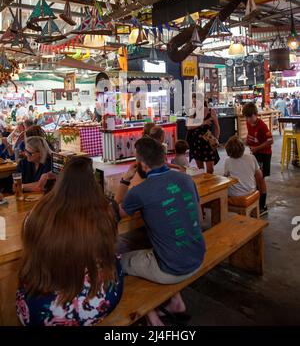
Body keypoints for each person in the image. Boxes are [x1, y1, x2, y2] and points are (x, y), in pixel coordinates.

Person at [16, 156, 123, 326]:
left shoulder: (36, 213)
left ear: (61, 180)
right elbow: (109, 250)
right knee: (116, 260)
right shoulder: (103, 213)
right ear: (92, 182)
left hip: (39, 310)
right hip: (93, 304)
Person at [117, 137, 206, 326]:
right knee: (160, 245)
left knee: (121, 261)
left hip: (171, 269)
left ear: (141, 164)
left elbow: (119, 210)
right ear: (163, 158)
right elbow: (199, 218)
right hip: (198, 256)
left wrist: (125, 179)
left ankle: (151, 317)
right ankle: (176, 301)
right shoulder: (185, 179)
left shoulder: (140, 191)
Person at [242, 102, 273, 215]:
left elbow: (270, 141)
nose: (248, 119)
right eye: (246, 117)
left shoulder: (262, 125)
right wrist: (243, 143)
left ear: (256, 114)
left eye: (250, 116)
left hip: (264, 154)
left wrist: (257, 148)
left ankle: (263, 206)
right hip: (253, 153)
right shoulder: (248, 123)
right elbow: (250, 137)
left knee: (261, 179)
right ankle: (256, 204)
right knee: (254, 179)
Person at [224, 136, 267, 214]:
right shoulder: (251, 158)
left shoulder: (228, 161)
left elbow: (225, 178)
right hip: (251, 191)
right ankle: (261, 207)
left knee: (221, 192)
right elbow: (259, 177)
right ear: (242, 148)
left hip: (234, 194)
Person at [187, 97, 220, 174]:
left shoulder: (211, 111)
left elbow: (217, 126)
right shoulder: (193, 112)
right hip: (196, 143)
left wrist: (217, 138)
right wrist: (203, 123)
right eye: (193, 102)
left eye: (196, 102)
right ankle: (204, 185)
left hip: (208, 142)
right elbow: (189, 127)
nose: (194, 104)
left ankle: (210, 183)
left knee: (210, 169)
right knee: (200, 169)